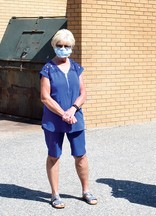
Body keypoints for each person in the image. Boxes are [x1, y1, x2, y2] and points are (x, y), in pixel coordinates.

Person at [39, 29, 97, 209]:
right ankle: (55, 194)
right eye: (60, 46)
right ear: (54, 46)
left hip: (75, 119)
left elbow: (83, 92)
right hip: (54, 121)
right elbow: (45, 97)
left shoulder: (76, 68)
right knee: (54, 156)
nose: (63, 49)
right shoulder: (47, 69)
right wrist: (63, 113)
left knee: (80, 155)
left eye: (67, 46)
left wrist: (72, 109)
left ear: (72, 47)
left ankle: (86, 190)